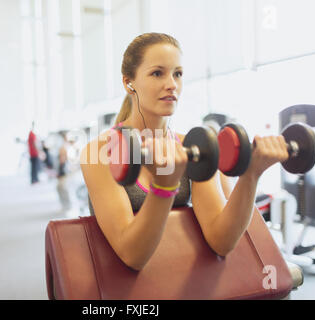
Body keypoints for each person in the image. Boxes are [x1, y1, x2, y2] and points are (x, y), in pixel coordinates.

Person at [80, 33, 289, 271]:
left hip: (184, 279)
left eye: (177, 74)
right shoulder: (99, 152)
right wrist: (165, 186)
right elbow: (132, 255)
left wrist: (251, 175)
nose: (172, 84)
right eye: (157, 73)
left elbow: (222, 241)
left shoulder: (194, 146)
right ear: (129, 82)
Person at [56, 133, 71, 211]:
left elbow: (62, 160)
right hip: (64, 170)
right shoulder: (65, 147)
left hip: (64, 171)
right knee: (60, 187)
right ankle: (65, 205)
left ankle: (66, 205)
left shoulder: (63, 147)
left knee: (61, 187)